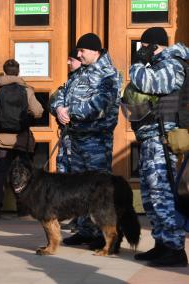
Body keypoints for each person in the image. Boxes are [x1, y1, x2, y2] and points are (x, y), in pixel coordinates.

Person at [51, 33, 122, 249]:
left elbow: (99, 106)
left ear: (95, 51)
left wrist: (69, 112)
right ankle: (85, 231)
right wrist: (59, 109)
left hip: (96, 142)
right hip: (76, 141)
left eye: (81, 51)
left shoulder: (108, 75)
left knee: (98, 190)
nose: (78, 55)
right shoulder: (80, 72)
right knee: (79, 189)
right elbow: (59, 93)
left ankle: (104, 235)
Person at [127, 27, 189, 267]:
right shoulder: (158, 64)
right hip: (150, 138)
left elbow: (148, 84)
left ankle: (174, 249)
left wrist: (136, 64)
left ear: (153, 46)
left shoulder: (172, 64)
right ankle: (162, 243)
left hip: (162, 140)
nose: (142, 51)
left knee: (162, 194)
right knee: (151, 196)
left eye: (144, 46)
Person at [0, 59, 43, 219]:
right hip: (20, 139)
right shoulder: (27, 90)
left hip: (0, 138)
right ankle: (23, 208)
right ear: (18, 72)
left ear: (4, 73)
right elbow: (38, 111)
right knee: (23, 172)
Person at [49, 48, 82, 232]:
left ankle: (81, 222)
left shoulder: (93, 78)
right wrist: (59, 108)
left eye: (72, 60)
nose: (68, 63)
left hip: (80, 140)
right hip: (67, 140)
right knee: (65, 179)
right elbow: (54, 98)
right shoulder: (70, 81)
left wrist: (71, 112)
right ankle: (73, 218)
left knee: (78, 182)